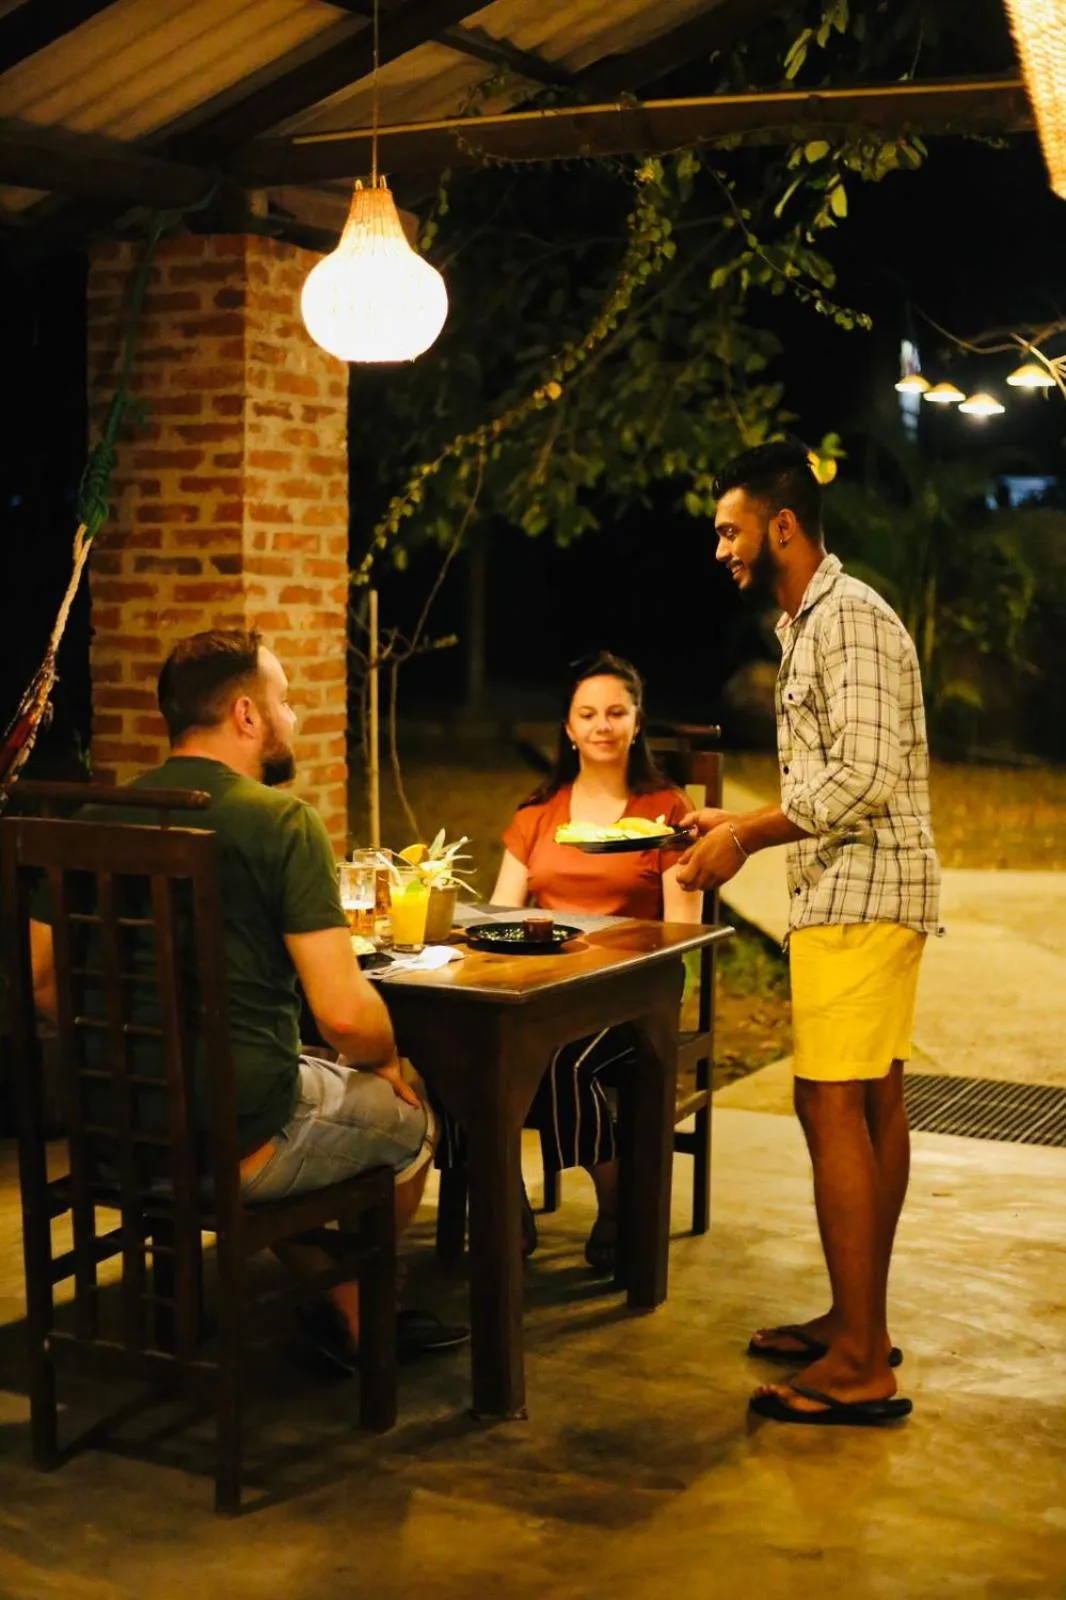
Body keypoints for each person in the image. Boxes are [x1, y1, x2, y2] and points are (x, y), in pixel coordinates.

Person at [29, 628, 467, 1368]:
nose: (292, 718)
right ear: (244, 714)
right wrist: (390, 1058)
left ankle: (338, 1300)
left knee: (302, 1090)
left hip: (107, 1132)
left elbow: (43, 985)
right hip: (237, 1139)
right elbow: (343, 1013)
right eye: (286, 702)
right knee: (407, 1118)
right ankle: (368, 1317)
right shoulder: (277, 822)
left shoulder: (93, 819)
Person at [676, 439, 940, 1427]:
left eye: (729, 529)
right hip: (853, 890)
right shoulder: (808, 625)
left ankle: (862, 1361)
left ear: (781, 525)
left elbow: (865, 778)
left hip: (864, 894)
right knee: (867, 1102)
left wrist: (745, 831)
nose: (720, 549)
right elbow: (836, 774)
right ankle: (854, 1318)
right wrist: (734, 820)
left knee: (830, 1103)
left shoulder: (849, 621)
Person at [487, 650, 701, 1270]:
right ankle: (506, 1201)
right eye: (588, 714)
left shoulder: (668, 814)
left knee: (557, 1061)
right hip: (547, 984)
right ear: (569, 728)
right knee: (461, 1049)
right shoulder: (538, 813)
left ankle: (616, 1200)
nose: (602, 725)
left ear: (637, 722)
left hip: (635, 992)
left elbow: (680, 930)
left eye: (616, 712)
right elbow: (501, 913)